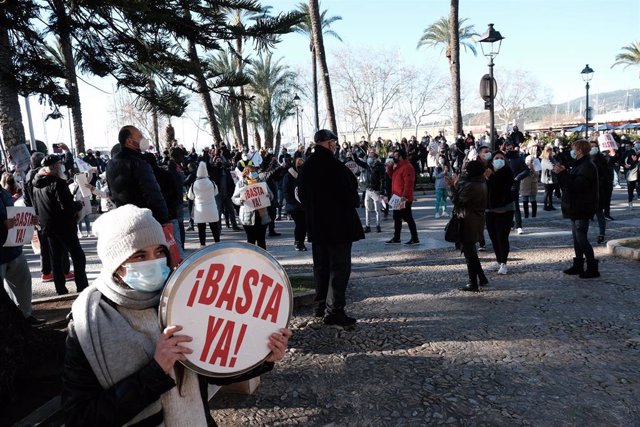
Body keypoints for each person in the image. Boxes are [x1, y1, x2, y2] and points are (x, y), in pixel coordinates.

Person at [61, 205, 291, 426]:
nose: (153, 261)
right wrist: (155, 371)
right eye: (139, 256)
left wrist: (261, 357)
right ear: (116, 264)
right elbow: (79, 418)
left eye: (159, 251)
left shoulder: (183, 295)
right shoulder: (90, 321)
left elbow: (210, 370)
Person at [298, 129, 364, 327]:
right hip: (338, 226)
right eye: (333, 142)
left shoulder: (307, 166)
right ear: (328, 143)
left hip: (317, 226)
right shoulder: (335, 166)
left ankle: (320, 306)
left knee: (321, 267)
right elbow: (349, 195)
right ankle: (335, 310)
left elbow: (301, 195)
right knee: (339, 268)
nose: (335, 146)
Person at [32, 155, 89, 295]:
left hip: (48, 227)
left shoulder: (36, 185)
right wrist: (77, 205)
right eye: (59, 164)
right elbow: (67, 206)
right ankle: (82, 287)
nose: (61, 167)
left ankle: (60, 289)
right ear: (55, 167)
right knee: (78, 256)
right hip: (63, 225)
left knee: (55, 258)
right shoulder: (57, 183)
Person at [553, 139, 600, 278]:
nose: (572, 151)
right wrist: (562, 173)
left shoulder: (586, 166)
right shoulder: (580, 164)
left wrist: (562, 174)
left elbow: (578, 186)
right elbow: (569, 185)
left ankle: (592, 267)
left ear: (579, 150)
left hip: (582, 207)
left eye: (574, 148)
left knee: (581, 237)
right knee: (576, 237)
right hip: (575, 206)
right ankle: (578, 265)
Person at [107, 125, 169, 225]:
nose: (143, 139)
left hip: (124, 220)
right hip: (145, 221)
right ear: (129, 141)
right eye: (140, 136)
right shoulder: (139, 163)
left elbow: (112, 193)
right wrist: (164, 220)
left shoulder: (110, 164)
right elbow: (153, 194)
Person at [0, 186, 44, 325]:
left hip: (14, 250)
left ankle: (25, 317)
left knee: (23, 285)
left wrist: (28, 221)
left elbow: (14, 214)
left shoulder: (3, 192)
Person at [446, 160, 488, 292]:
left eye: (466, 169)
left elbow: (457, 201)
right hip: (475, 220)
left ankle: (473, 283)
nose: (464, 171)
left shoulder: (472, 185)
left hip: (469, 221)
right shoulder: (480, 182)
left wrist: (452, 186)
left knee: (469, 253)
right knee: (471, 252)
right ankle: (481, 277)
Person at [484, 151, 515, 275]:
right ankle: (498, 260)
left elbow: (502, 188)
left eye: (501, 158)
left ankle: (504, 263)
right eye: (496, 158)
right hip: (490, 209)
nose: (499, 160)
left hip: (504, 209)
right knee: (493, 237)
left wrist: (491, 177)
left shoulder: (507, 172)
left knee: (502, 237)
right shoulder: (488, 171)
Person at [232, 164, 273, 250]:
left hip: (262, 215)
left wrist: (269, 196)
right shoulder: (240, 184)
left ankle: (262, 260)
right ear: (246, 173)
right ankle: (251, 260)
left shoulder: (262, 182)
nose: (254, 173)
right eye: (251, 172)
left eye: (254, 172)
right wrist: (240, 200)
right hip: (248, 216)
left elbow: (271, 195)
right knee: (251, 240)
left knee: (261, 240)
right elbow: (234, 198)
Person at [385, 148, 419, 245]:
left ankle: (415, 238)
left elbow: (408, 183)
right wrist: (390, 167)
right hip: (396, 197)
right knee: (397, 218)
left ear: (401, 156)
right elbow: (391, 176)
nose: (394, 158)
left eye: (396, 156)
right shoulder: (398, 167)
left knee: (408, 218)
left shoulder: (407, 167)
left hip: (403, 198)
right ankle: (397, 237)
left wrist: (404, 196)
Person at [187, 162, 220, 246]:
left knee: (201, 229)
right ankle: (217, 243)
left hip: (200, 210)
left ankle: (202, 245)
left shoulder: (194, 184)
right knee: (214, 227)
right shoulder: (212, 183)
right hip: (211, 208)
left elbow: (190, 196)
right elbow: (216, 193)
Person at [352, 150, 385, 233]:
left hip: (376, 190)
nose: (369, 158)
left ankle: (378, 225)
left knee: (377, 209)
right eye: (369, 156)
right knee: (367, 209)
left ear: (375, 157)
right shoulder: (367, 165)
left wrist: (381, 192)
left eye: (371, 156)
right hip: (368, 189)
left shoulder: (380, 166)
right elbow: (358, 162)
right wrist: (354, 155)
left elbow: (382, 180)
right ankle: (368, 226)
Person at [590, 141, 614, 244]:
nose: (593, 148)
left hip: (599, 190)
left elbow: (606, 175)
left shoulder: (602, 159)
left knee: (599, 213)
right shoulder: (586, 159)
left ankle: (601, 234)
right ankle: (581, 235)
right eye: (591, 147)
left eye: (595, 146)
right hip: (588, 192)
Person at [283, 157, 307, 251]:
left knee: (304, 225)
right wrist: (293, 202)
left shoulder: (305, 175)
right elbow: (286, 191)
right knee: (300, 224)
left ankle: (301, 242)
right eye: (299, 164)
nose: (301, 166)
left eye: (302, 164)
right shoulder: (288, 176)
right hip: (294, 206)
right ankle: (298, 243)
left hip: (304, 205)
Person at [520, 155, 539, 219]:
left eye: (532, 161)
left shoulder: (535, 166)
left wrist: (533, 169)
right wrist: (527, 169)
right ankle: (526, 215)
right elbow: (521, 175)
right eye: (530, 161)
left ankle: (534, 215)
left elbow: (537, 175)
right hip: (524, 185)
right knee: (525, 200)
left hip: (533, 185)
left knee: (533, 200)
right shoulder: (523, 166)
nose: (531, 162)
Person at [540, 145, 558, 211]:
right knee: (547, 192)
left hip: (551, 178)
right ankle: (545, 206)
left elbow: (557, 163)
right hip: (546, 178)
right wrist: (555, 165)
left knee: (550, 192)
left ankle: (550, 205)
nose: (551, 152)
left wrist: (556, 165)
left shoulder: (551, 158)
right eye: (550, 151)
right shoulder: (545, 159)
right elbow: (551, 166)